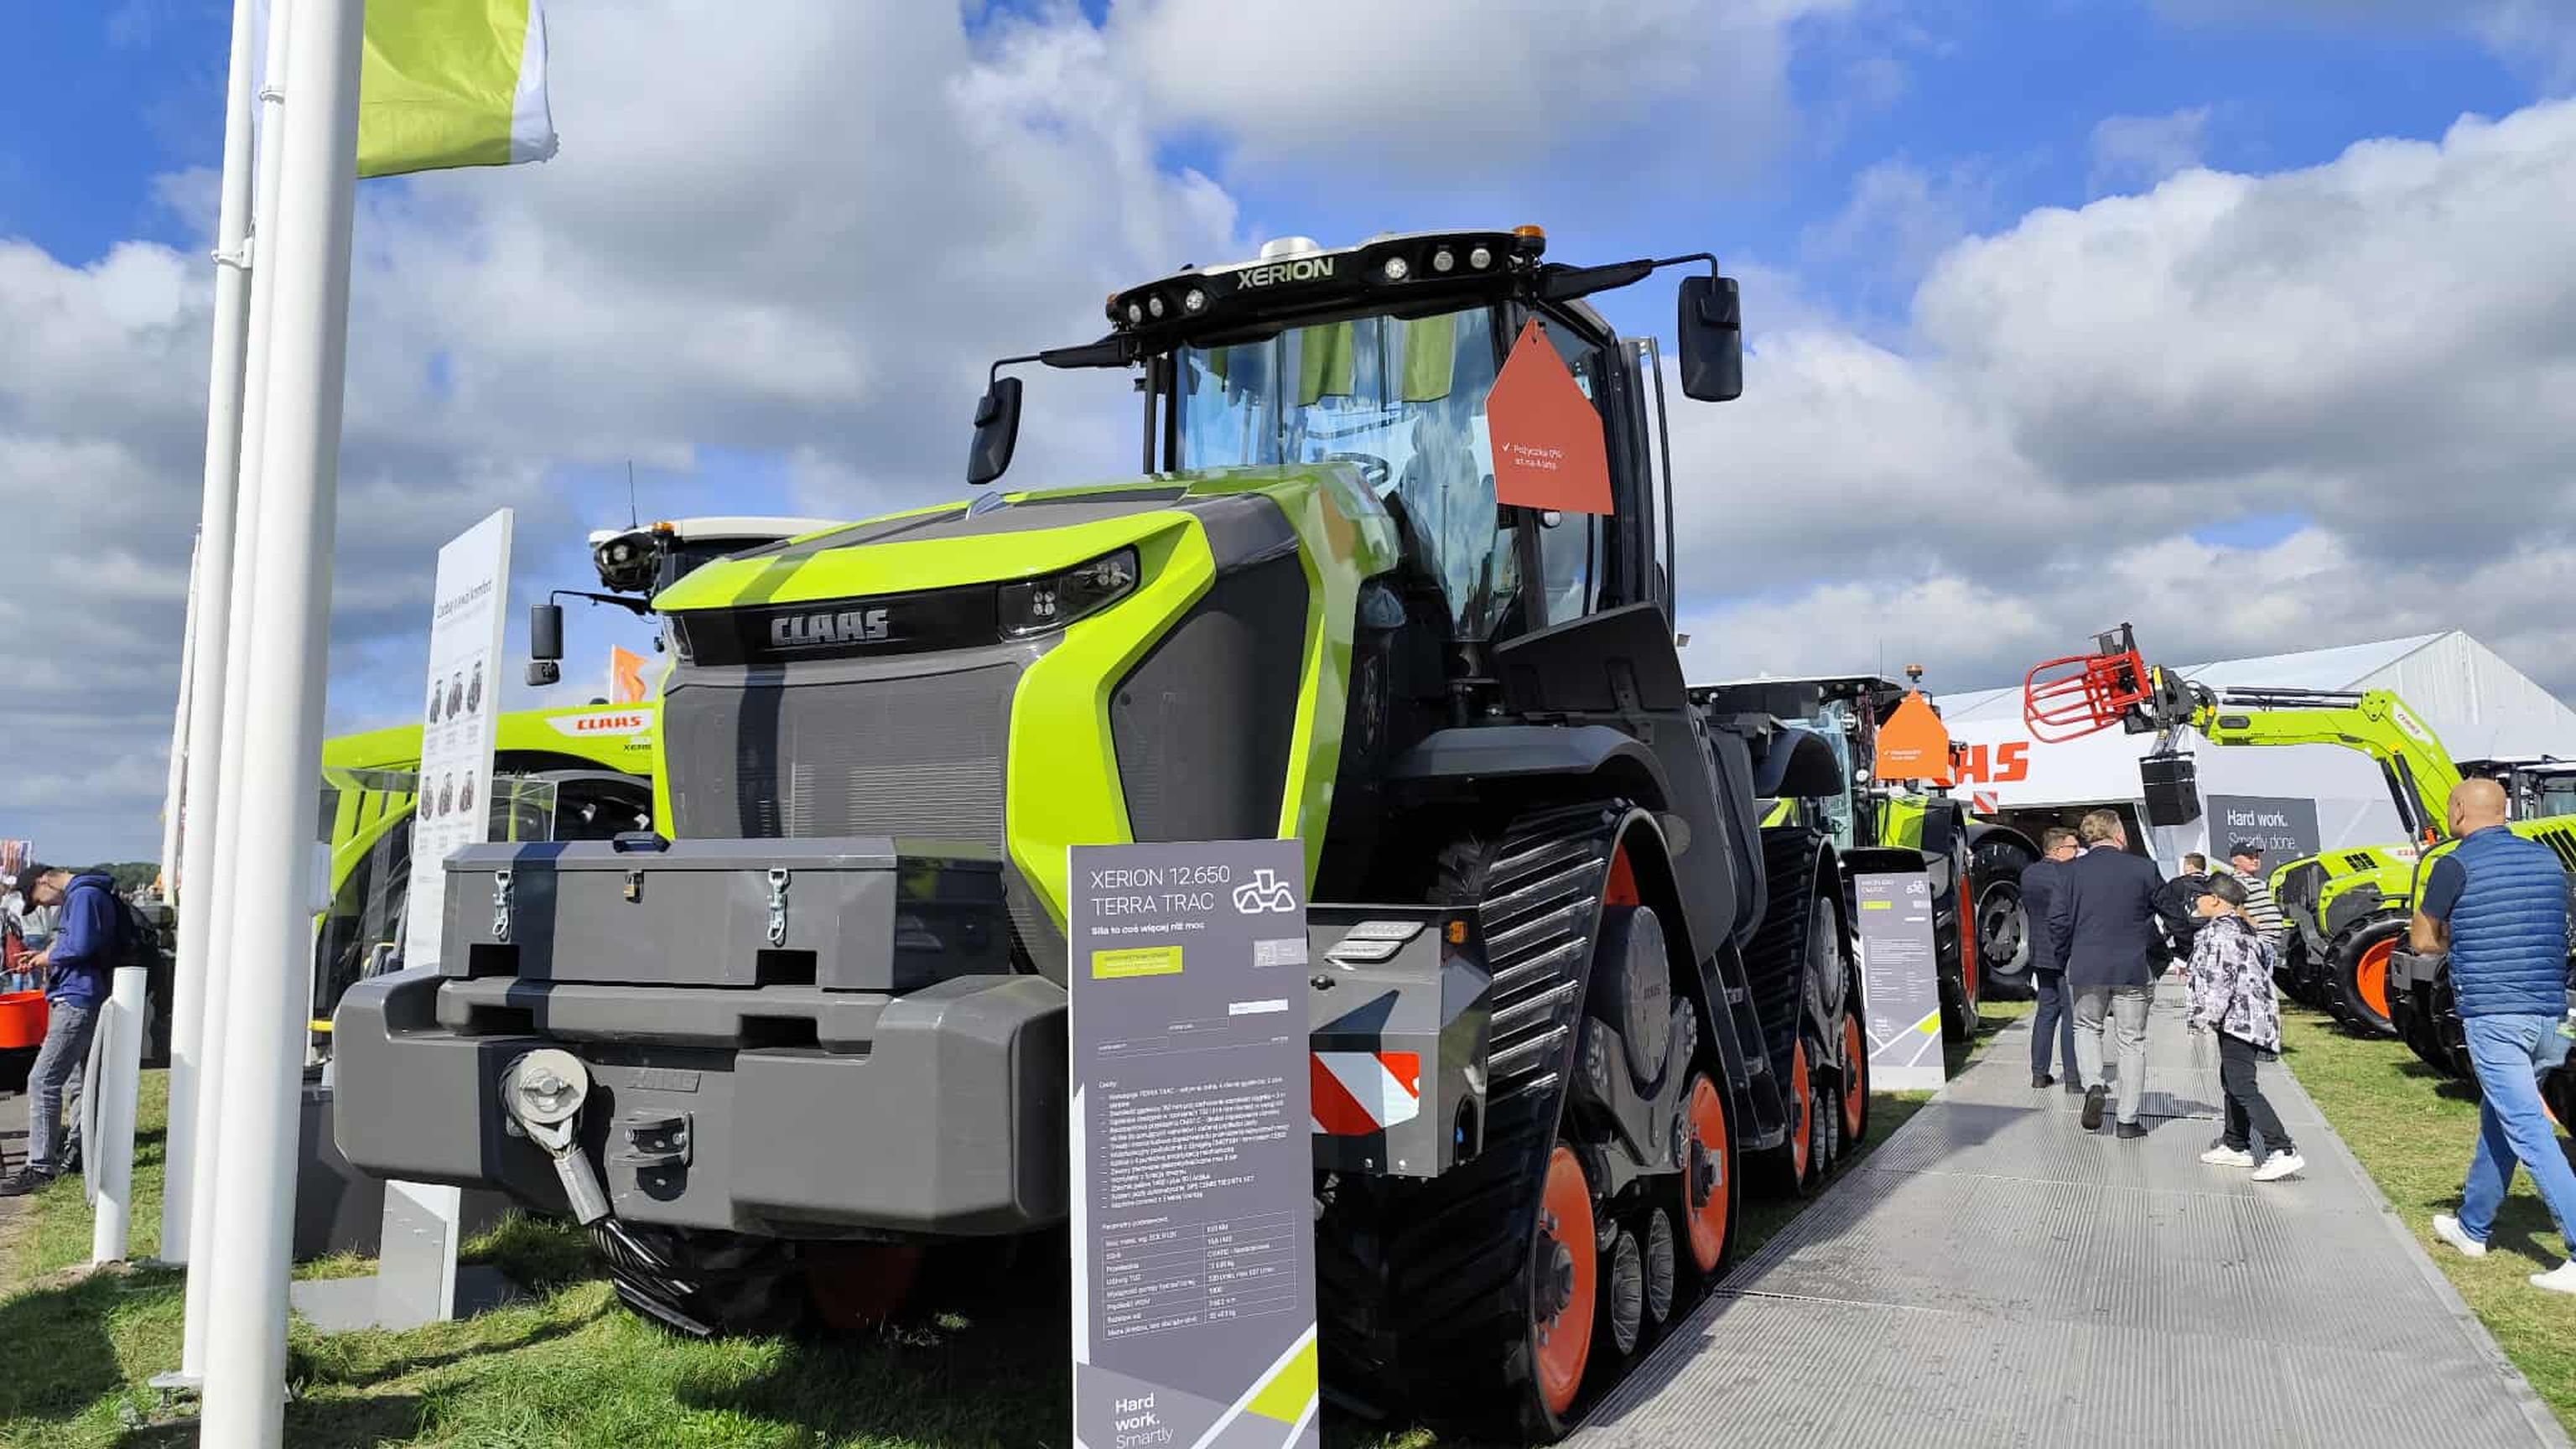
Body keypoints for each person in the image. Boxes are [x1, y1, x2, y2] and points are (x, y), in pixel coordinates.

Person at [2415, 779, 2576, 1293]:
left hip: (2495, 1016)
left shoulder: (2454, 864)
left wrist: (2454, 934)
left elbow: (2422, 940)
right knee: (2500, 1119)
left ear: (2460, 810)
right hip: (2550, 1016)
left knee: (2528, 1129)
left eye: (2449, 806)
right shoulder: (2548, 861)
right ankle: (2473, 1227)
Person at [2049, 809, 2168, 1139]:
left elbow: (2058, 922)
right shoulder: (2144, 869)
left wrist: (2065, 958)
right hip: (2133, 966)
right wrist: (2172, 952)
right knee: (2132, 1040)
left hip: (2086, 963)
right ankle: (2128, 1120)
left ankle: (2094, 1085)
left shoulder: (2068, 872)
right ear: (2118, 834)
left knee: (2086, 1027)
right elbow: (2169, 911)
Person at [0, 865, 120, 1195]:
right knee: (78, 1081)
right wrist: (44, 955)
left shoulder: (83, 896)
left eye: (39, 900)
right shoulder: (85, 895)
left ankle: (40, 1166)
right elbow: (77, 943)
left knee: (43, 1080)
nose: (45, 906)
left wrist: (45, 960)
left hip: (75, 998)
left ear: (45, 880)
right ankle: (79, 1150)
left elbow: (79, 946)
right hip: (81, 995)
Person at [2185, 874, 2304, 1182]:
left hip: (2239, 1020)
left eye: (2200, 896)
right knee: (2231, 1080)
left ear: (2215, 900)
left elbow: (2220, 981)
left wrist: (2203, 1018)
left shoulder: (2221, 935)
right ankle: (2235, 1143)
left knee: (2242, 1085)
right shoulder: (2240, 929)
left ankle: (2282, 1149)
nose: (2196, 901)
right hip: (2246, 1018)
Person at [2022, 828, 2084, 1091]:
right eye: (2073, 848)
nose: (2078, 852)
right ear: (2058, 850)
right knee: (2071, 1016)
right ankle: (2073, 1078)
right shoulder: (2066, 875)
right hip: (2065, 951)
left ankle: (2039, 1073)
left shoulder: (2029, 873)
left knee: (2046, 1012)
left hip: (2040, 951)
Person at [2220, 840, 2288, 952]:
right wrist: (2250, 922)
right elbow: (2231, 907)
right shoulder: (2237, 881)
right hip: (2259, 942)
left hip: (2270, 943)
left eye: (2256, 857)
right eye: (2249, 857)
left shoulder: (2256, 882)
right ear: (2234, 860)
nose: (2255, 860)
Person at [2157, 852, 2215, 963]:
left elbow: (2167, 912)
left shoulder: (2176, 884)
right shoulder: (2214, 883)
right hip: (2210, 940)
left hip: (2184, 944)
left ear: (2190, 866)